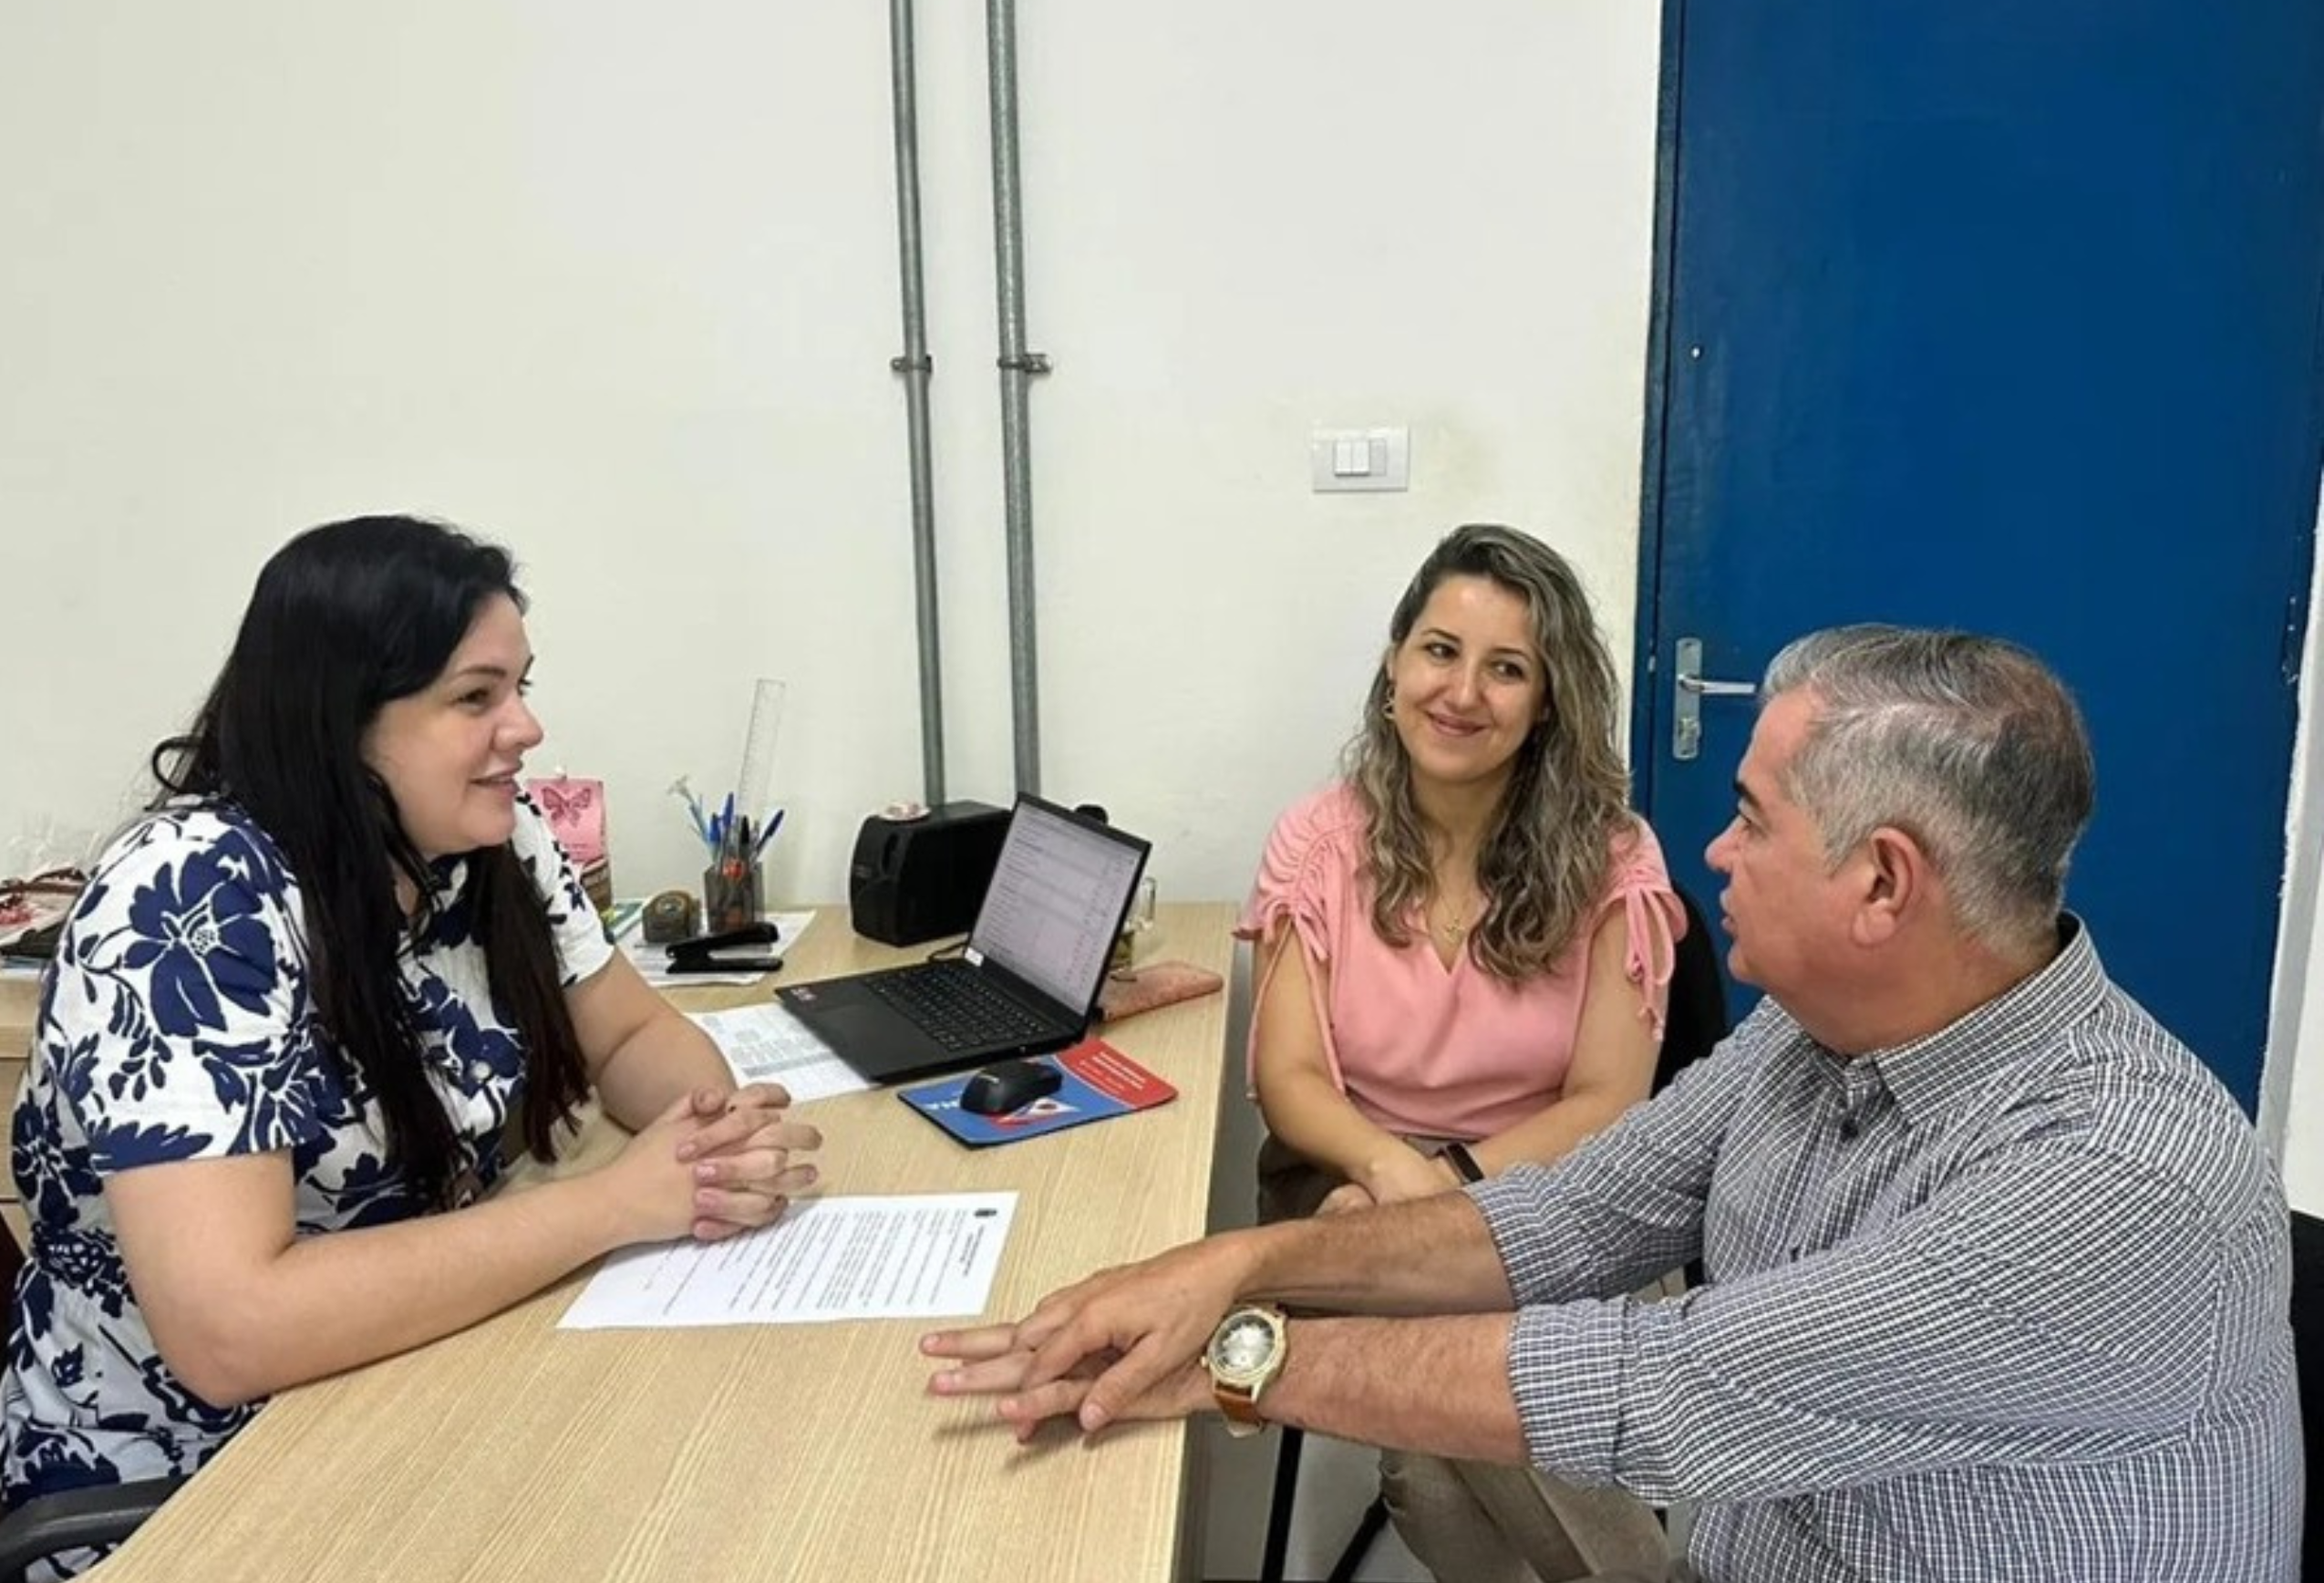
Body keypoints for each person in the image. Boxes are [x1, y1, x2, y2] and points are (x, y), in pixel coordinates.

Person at [925, 626, 2301, 1582]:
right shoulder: (1817, 1035)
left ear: (1884, 885)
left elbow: (1669, 1383)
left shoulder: (2122, 1180)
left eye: (1755, 820)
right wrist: (1245, 1261)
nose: (1716, 850)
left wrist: (1239, 1358)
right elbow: (1565, 1216)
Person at [0, 516, 822, 1574]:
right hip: (194, 1490)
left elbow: (628, 1031)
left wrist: (706, 1138)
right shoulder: (196, 900)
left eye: (520, 685)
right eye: (475, 697)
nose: (524, 727)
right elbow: (231, 1330)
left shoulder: (486, 840)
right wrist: (619, 1202)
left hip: (405, 1380)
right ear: (340, 721)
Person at [1241, 523, 1682, 1575]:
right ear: (1394, 665)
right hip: (1348, 1173)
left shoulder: (1615, 857)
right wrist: (1395, 1172)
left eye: (1507, 667)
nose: (1463, 691)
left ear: (1546, 703)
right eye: (1440, 649)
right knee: (1495, 1381)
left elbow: (1610, 1098)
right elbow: (1289, 1078)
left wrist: (1451, 1194)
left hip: (1559, 1184)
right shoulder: (1318, 839)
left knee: (1433, 1462)